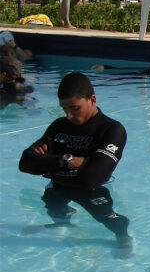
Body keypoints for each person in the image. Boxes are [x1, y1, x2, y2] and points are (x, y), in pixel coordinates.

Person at [18, 71, 129, 248]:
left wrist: (48, 165)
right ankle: (62, 224)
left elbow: (94, 177)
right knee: (52, 204)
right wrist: (65, 160)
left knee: (109, 219)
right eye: (64, 109)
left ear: (92, 99)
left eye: (74, 108)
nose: (69, 115)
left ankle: (123, 237)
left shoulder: (111, 129)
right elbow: (25, 163)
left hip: (93, 191)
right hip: (59, 186)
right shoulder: (59, 126)